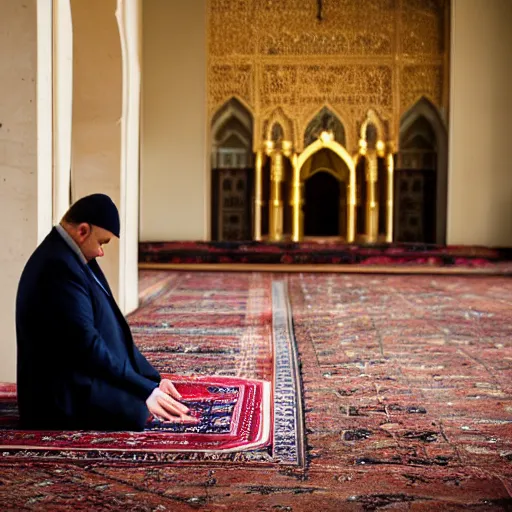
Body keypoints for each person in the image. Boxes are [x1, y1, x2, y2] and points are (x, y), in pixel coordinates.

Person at [16, 193, 197, 430]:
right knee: (137, 410)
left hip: (76, 374)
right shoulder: (57, 267)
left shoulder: (71, 256)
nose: (101, 252)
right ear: (83, 231)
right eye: (101, 243)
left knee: (144, 397)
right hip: (56, 396)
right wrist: (143, 390)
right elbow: (86, 345)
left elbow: (113, 327)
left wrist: (151, 379)